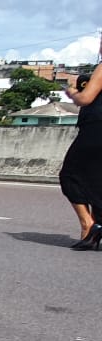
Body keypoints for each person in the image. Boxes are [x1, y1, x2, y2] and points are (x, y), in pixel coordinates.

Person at [60, 41, 102, 250]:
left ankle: (89, 225)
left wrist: (72, 93)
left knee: (69, 175)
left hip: (97, 128)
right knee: (96, 177)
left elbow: (86, 98)